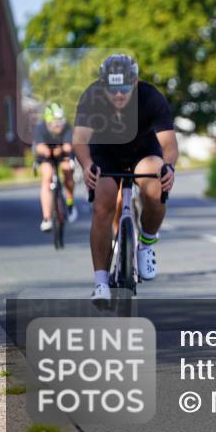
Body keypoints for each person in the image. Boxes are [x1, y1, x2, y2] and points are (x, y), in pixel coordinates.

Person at [72, 54, 178, 303]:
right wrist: (87, 165)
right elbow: (79, 139)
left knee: (155, 185)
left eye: (124, 88)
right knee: (102, 205)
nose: (119, 95)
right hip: (105, 152)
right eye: (112, 89)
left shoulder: (151, 97)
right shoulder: (92, 97)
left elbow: (169, 143)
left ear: (135, 82)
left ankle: (146, 243)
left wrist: (169, 167)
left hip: (143, 151)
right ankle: (101, 283)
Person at [33, 103, 77, 230]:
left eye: (60, 121)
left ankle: (69, 203)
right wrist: (47, 151)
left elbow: (69, 146)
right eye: (55, 122)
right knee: (47, 178)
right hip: (46, 156)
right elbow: (39, 146)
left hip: (63, 154)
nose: (58, 125)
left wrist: (61, 149)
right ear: (48, 121)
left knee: (67, 170)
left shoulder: (67, 127)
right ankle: (47, 218)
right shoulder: (40, 128)